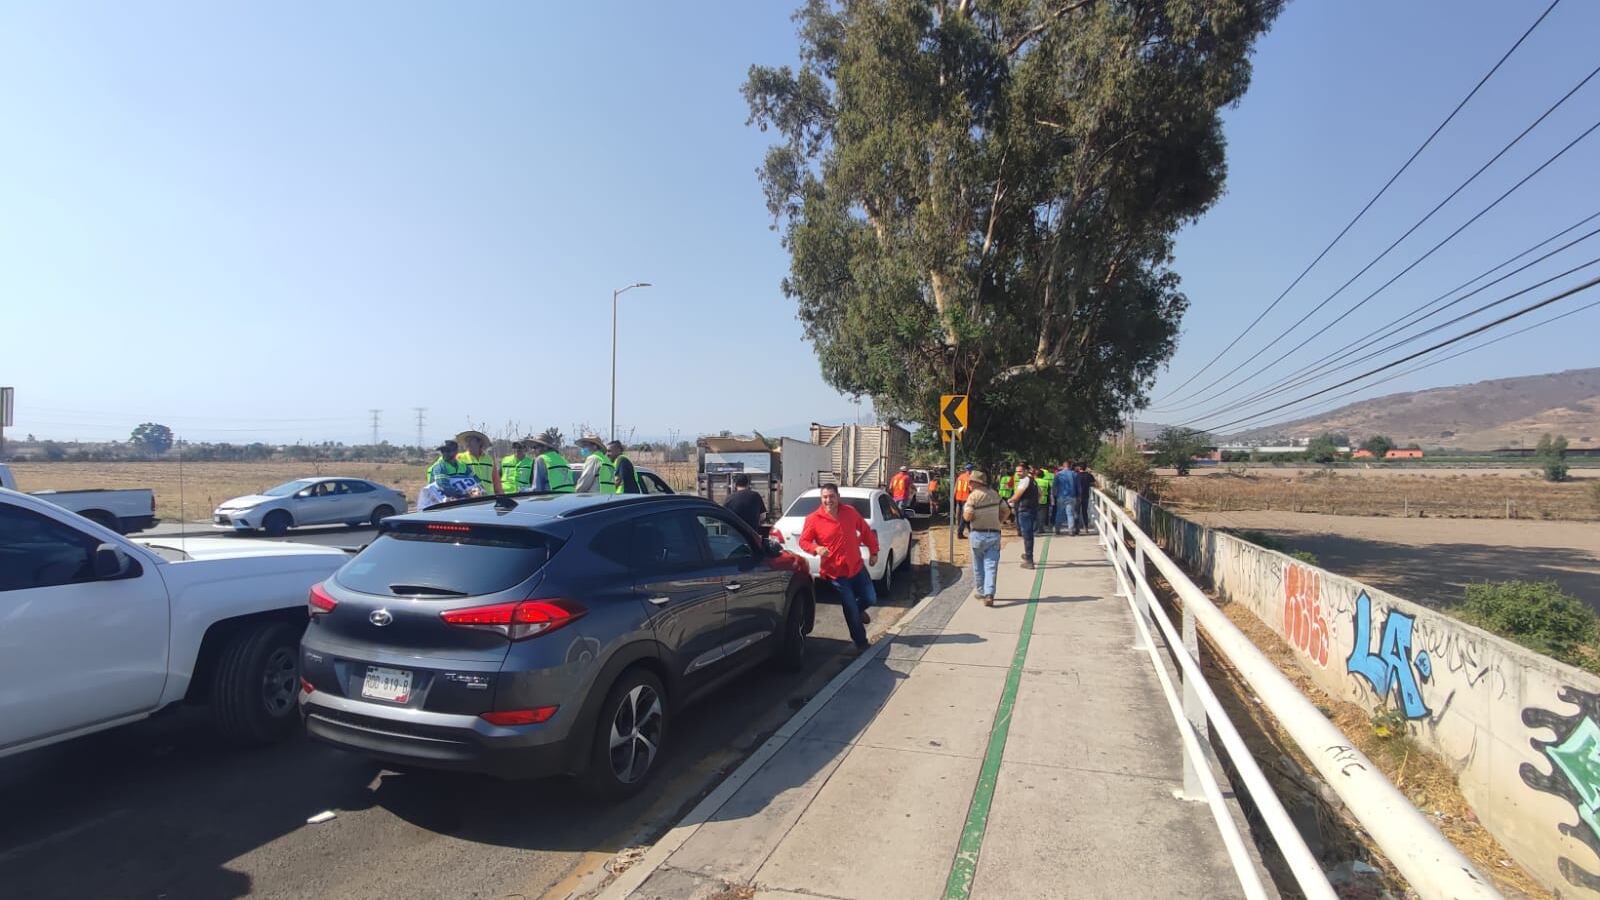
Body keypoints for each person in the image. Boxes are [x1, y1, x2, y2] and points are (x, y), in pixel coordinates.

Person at [798, 483, 880, 651]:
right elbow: (803, 542)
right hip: (836, 573)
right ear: (821, 499)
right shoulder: (813, 519)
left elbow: (865, 531)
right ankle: (861, 642)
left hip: (857, 567)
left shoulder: (849, 512)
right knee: (849, 606)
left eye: (832, 496)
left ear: (838, 497)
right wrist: (817, 548)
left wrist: (874, 551)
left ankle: (857, 612)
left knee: (870, 598)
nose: (828, 500)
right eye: (825, 497)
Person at [962, 470, 1003, 606]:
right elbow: (1007, 510)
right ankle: (989, 594)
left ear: (976, 483)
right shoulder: (995, 494)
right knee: (991, 565)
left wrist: (970, 516)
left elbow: (967, 516)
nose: (969, 484)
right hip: (994, 534)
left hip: (977, 535)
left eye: (971, 482)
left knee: (978, 565)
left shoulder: (973, 496)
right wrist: (999, 521)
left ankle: (980, 591)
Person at [1008, 464, 1039, 568]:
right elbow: (1040, 493)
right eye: (1017, 471)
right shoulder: (1033, 481)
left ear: (1026, 471)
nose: (1018, 473)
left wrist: (1009, 501)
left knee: (1027, 535)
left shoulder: (1025, 480)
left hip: (1024, 510)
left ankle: (1029, 560)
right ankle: (1028, 555)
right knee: (1028, 533)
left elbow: (1017, 496)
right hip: (1032, 509)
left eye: (1020, 471)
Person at [456, 430, 501, 496]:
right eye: (466, 440)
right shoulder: (459, 458)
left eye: (470, 440)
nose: (467, 443)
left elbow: (496, 481)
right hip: (469, 499)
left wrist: (501, 496)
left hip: (489, 498)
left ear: (479, 442)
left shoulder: (489, 459)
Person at [1054, 461, 1080, 535]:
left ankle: (1057, 529)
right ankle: (1071, 530)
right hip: (1072, 496)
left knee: (1059, 513)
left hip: (1061, 496)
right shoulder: (1074, 474)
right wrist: (1079, 496)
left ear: (1063, 466)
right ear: (1070, 466)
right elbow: (1078, 487)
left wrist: (1054, 495)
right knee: (1070, 514)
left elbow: (1054, 486)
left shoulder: (1058, 475)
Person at [953, 464, 973, 538]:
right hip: (965, 499)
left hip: (959, 499)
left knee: (962, 515)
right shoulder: (970, 478)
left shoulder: (960, 477)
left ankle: (969, 531)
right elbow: (971, 488)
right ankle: (960, 532)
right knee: (964, 516)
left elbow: (955, 487)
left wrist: (953, 497)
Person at [1074, 463, 1095, 534]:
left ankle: (1077, 529)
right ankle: (1086, 528)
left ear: (1079, 468)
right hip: (1086, 496)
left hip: (1077, 496)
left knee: (1077, 512)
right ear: (1085, 468)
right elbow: (1094, 483)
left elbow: (1074, 485)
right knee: (1084, 512)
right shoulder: (1089, 475)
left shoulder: (1076, 476)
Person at [1035, 465, 1054, 530]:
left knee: (1035, 514)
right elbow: (1049, 492)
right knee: (1042, 515)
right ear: (1043, 475)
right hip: (1044, 500)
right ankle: (1041, 528)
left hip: (1034, 500)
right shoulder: (1046, 482)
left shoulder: (1033, 481)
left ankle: (1035, 528)